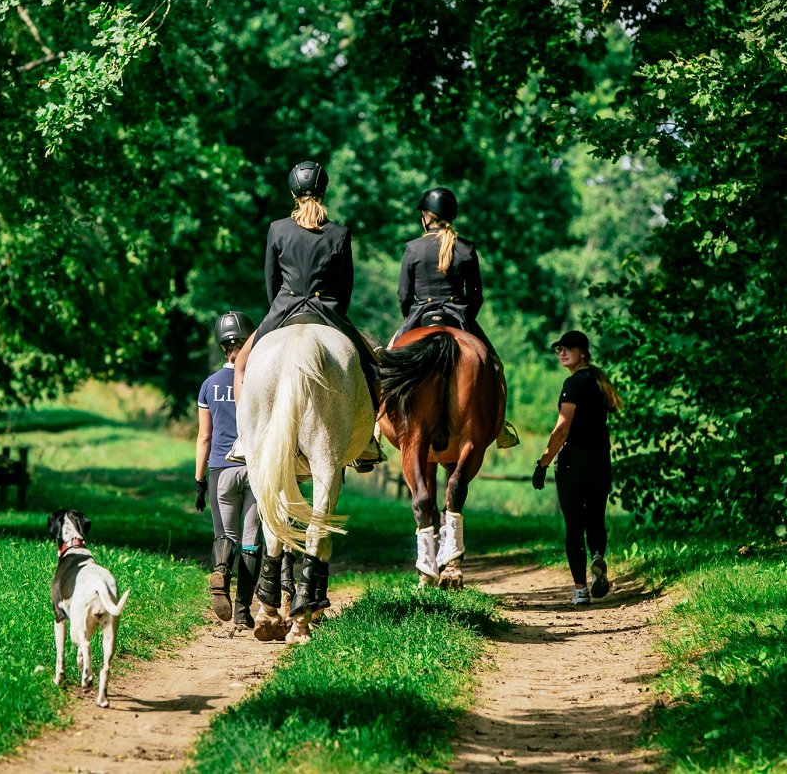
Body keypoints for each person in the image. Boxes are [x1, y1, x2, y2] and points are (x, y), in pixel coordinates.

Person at [229, 160, 384, 470]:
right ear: (324, 191)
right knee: (371, 366)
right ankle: (367, 440)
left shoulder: (277, 228)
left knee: (243, 364)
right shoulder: (339, 233)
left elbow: (271, 281)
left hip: (284, 308)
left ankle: (244, 439)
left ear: (292, 192)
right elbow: (345, 288)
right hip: (327, 311)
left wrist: (281, 308)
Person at [394, 186, 519, 449]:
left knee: (387, 364)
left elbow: (404, 294)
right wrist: (465, 320)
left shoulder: (414, 248)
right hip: (459, 317)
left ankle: (378, 427)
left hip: (420, 316)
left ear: (427, 216)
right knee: (495, 365)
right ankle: (500, 426)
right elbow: (476, 295)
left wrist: (410, 318)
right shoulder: (466, 249)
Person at [531, 330, 624, 606]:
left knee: (574, 525)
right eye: (559, 348)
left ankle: (581, 590)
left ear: (582, 352)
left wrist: (543, 463)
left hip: (573, 462)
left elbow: (562, 429)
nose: (562, 353)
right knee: (596, 517)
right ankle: (597, 558)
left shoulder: (572, 384)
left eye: (568, 349)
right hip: (600, 460)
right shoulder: (599, 380)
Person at [196, 311, 262, 627]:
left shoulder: (209, 385)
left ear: (223, 347)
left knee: (226, 535)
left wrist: (199, 481)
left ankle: (221, 573)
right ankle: (243, 611)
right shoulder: (260, 379)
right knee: (251, 540)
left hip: (220, 470)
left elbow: (204, 436)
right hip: (254, 469)